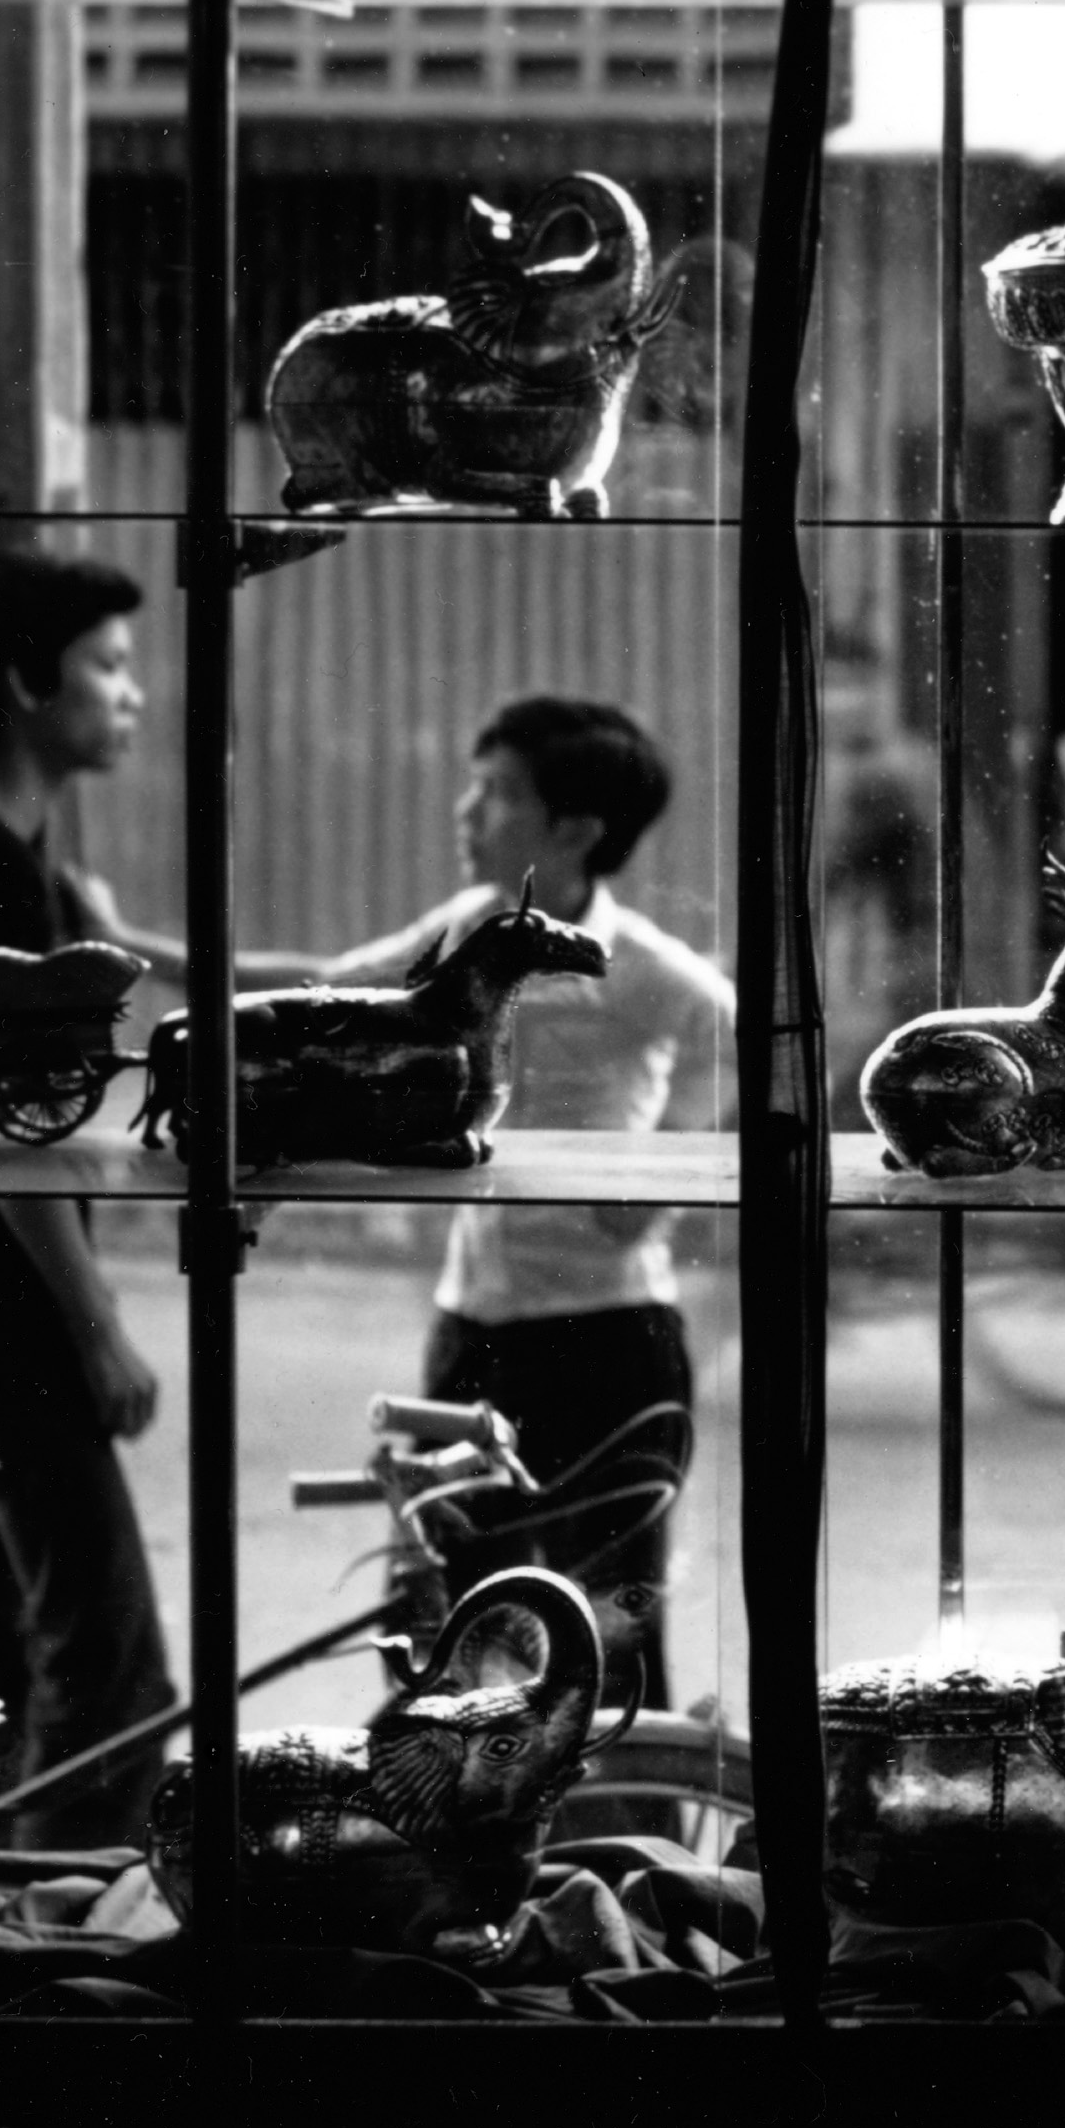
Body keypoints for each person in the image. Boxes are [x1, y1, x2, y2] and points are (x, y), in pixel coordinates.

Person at [310, 698, 730, 1707]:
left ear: (576, 831)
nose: (467, 810)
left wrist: (660, 1179)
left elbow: (746, 1051)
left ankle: (626, 1858)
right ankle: (462, 1860)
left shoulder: (645, 970)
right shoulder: (462, 932)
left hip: (611, 1338)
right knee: (449, 1630)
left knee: (608, 1644)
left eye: (496, 793)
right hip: (472, 1336)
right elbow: (337, 990)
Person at [0, 547, 221, 1848]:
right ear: (19, 681)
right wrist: (96, 1325)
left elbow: (175, 960)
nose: (134, 694)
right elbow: (10, 1141)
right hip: (14, 1316)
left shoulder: (20, 851)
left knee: (72, 1659)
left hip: (8, 1312)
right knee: (111, 1679)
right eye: (108, 666)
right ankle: (63, 1961)